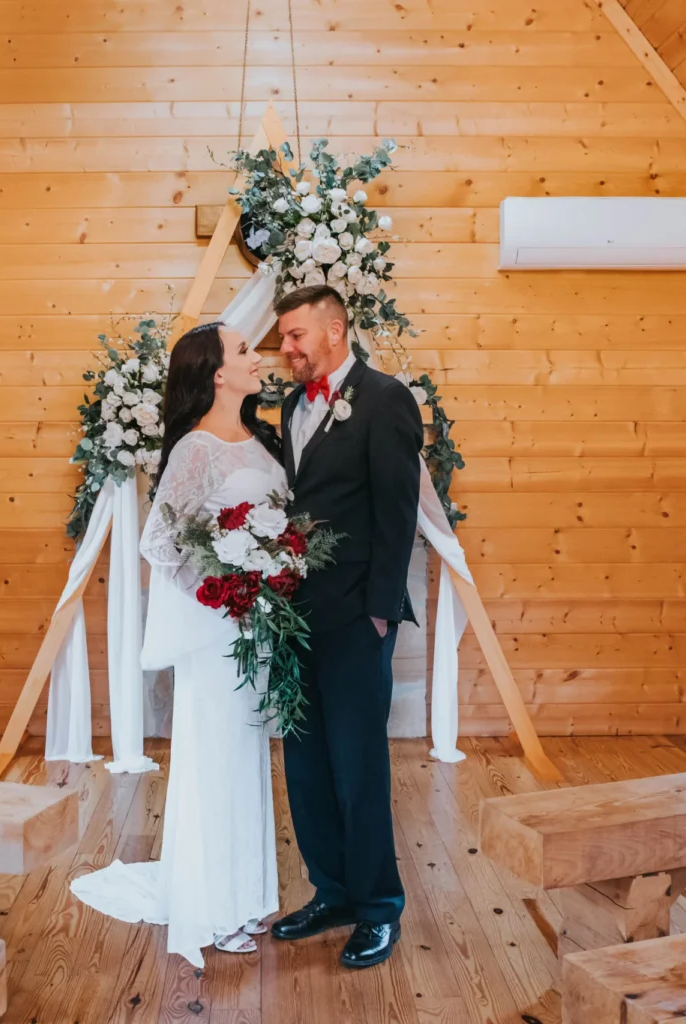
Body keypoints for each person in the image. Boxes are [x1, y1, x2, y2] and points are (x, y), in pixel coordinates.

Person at [70, 322, 282, 967]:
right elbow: (160, 543)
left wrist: (272, 566)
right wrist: (230, 582)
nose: (257, 357)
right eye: (245, 350)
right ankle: (212, 907)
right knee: (216, 756)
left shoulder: (258, 438)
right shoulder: (196, 449)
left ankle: (243, 893)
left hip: (259, 622)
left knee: (246, 757)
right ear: (217, 373)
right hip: (221, 629)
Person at [269, 285, 424, 969]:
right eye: (282, 337)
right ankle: (331, 891)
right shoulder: (288, 405)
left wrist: (381, 611)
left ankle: (378, 908)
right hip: (293, 621)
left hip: (357, 617)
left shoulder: (384, 398)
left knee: (358, 766)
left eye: (296, 335)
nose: (286, 348)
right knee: (304, 764)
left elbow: (398, 513)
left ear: (335, 329)